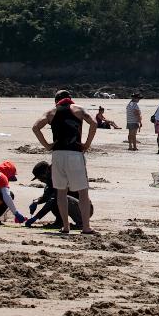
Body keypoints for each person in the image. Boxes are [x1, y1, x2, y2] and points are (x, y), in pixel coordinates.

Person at [31, 90, 98, 235]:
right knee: (83, 192)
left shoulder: (51, 112)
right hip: (75, 153)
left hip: (58, 154)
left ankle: (66, 227)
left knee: (61, 192)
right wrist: (87, 144)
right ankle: (86, 227)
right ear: (69, 99)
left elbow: (35, 127)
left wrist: (47, 145)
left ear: (56, 101)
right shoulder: (78, 109)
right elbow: (94, 123)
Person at [24, 161, 91, 229]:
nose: (40, 180)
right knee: (57, 200)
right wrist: (36, 201)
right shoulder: (51, 181)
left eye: (40, 177)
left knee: (60, 199)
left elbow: (53, 199)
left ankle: (81, 223)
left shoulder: (59, 177)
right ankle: (59, 222)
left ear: (47, 171)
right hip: (75, 205)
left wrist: (36, 217)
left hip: (84, 209)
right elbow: (46, 197)